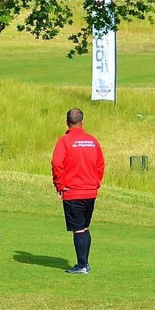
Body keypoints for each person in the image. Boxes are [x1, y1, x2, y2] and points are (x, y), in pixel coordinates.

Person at [51, 108, 105, 274]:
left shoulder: (64, 141)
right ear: (83, 121)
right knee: (85, 227)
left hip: (73, 191)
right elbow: (100, 165)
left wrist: (59, 185)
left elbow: (57, 164)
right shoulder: (92, 141)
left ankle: (82, 265)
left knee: (79, 229)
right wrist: (96, 183)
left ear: (67, 122)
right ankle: (85, 263)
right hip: (90, 191)